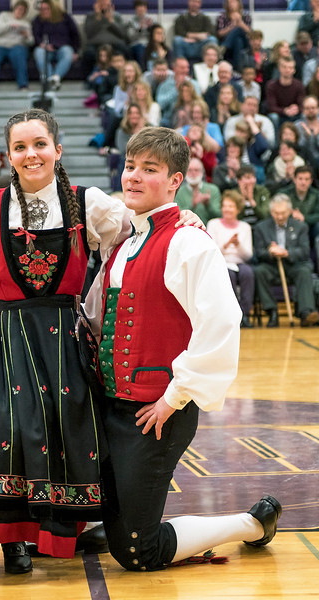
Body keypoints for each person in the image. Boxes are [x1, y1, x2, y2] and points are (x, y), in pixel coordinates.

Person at [0, 108, 202, 576]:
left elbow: (138, 233)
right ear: (8, 155)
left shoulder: (87, 202)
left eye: (39, 144)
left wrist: (186, 219)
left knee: (48, 440)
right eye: (20, 147)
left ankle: (23, 537)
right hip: (2, 337)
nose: (30, 154)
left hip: (60, 346)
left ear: (57, 149)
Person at [83, 125, 281, 572]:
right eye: (130, 166)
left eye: (149, 169)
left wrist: (175, 396)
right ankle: (123, 521)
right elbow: (98, 317)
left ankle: (251, 523)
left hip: (157, 410)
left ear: (176, 180)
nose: (133, 176)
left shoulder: (189, 241)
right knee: (109, 524)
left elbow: (222, 322)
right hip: (111, 403)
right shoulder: (125, 241)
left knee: (137, 554)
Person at [253, 194, 318, 327]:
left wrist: (286, 252)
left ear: (289, 211)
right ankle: (272, 311)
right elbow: (259, 253)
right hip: (272, 265)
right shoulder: (261, 227)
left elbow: (305, 251)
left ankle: (306, 313)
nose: (280, 217)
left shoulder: (301, 226)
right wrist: (270, 252)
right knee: (259, 271)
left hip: (293, 265)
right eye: (276, 213)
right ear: (271, 212)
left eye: (283, 213)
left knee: (305, 271)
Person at [207, 189, 254, 327]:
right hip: (221, 262)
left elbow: (248, 255)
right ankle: (230, 315)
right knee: (228, 275)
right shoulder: (213, 224)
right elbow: (211, 251)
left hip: (240, 262)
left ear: (238, 209)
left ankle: (244, 315)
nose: (227, 209)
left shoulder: (245, 227)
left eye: (231, 206)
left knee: (248, 274)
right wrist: (227, 244)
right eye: (225, 206)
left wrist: (238, 244)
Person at [31, 0, 81, 91]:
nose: (44, 11)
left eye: (46, 9)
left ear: (53, 9)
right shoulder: (38, 20)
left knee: (67, 52)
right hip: (46, 48)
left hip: (63, 47)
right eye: (41, 9)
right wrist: (43, 45)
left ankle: (55, 78)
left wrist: (76, 51)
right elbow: (35, 36)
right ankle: (50, 78)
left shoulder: (65, 18)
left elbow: (75, 35)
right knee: (39, 52)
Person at [0, 1, 33, 91]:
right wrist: (10, 25)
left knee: (19, 54)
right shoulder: (4, 16)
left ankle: (23, 84)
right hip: (0, 45)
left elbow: (31, 42)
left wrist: (26, 36)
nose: (20, 12)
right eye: (18, 9)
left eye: (23, 10)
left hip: (17, 46)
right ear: (14, 9)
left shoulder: (26, 23)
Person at [82, 0, 129, 78]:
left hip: (115, 44)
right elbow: (89, 33)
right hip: (96, 44)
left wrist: (111, 20)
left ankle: (124, 75)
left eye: (106, 2)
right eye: (101, 2)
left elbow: (122, 34)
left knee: (126, 50)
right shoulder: (90, 16)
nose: (103, 4)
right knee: (88, 53)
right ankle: (89, 78)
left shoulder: (117, 16)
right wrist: (98, 17)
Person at [175, 157, 222, 223]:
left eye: (196, 170)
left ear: (202, 172)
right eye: (190, 170)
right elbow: (177, 217)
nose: (193, 173)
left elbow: (219, 216)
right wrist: (193, 203)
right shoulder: (178, 191)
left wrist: (208, 204)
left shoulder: (213, 189)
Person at [265, 56, 306, 132]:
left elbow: (302, 105)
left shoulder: (299, 85)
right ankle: (276, 143)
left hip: (295, 114)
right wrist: (285, 110)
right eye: (284, 67)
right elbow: (271, 107)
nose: (287, 70)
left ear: (294, 70)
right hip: (279, 115)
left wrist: (297, 109)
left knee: (304, 115)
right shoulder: (271, 85)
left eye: (290, 68)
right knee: (273, 117)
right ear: (279, 68)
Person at [216, 0, 252, 72]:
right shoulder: (222, 17)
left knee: (239, 30)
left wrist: (240, 23)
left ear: (238, 4)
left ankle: (224, 47)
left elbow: (250, 33)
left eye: (233, 2)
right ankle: (238, 70)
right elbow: (219, 34)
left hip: (246, 44)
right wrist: (232, 26)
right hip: (232, 46)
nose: (231, 4)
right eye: (229, 3)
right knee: (238, 41)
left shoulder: (246, 16)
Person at [126, 0, 155, 69]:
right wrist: (139, 29)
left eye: (143, 6)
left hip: (148, 44)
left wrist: (151, 28)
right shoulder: (131, 21)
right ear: (136, 8)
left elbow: (156, 35)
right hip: (136, 44)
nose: (141, 9)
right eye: (139, 6)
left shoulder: (151, 20)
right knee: (140, 48)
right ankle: (142, 72)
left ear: (146, 8)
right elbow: (130, 37)